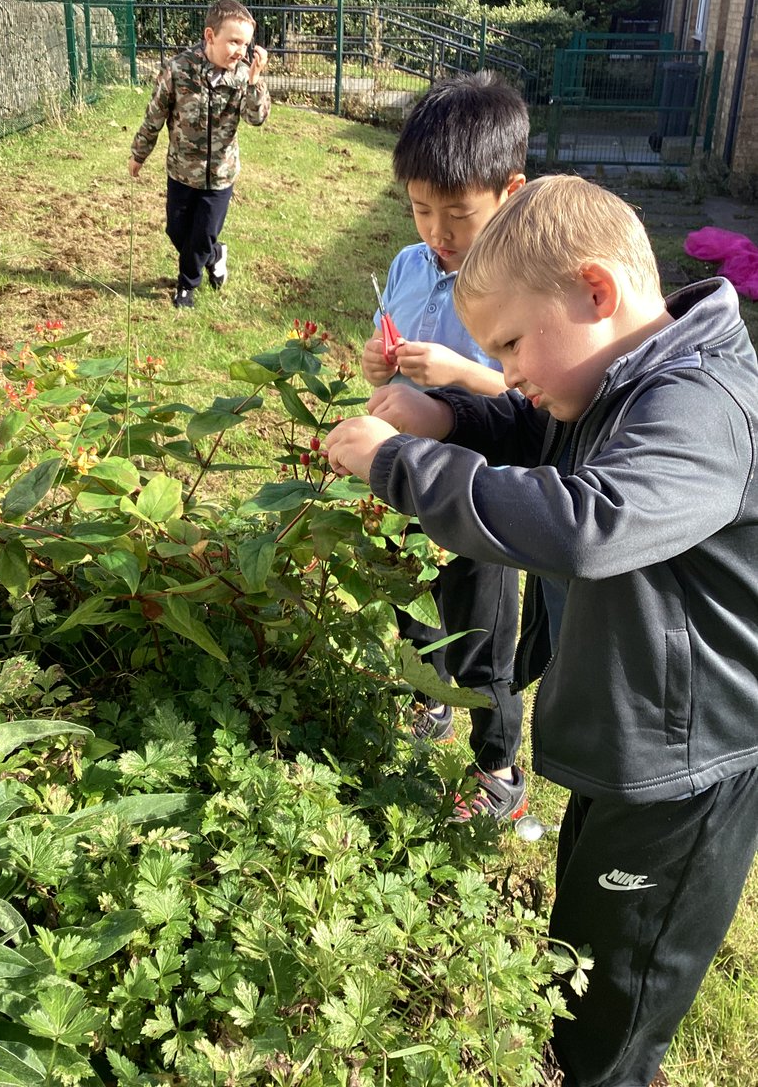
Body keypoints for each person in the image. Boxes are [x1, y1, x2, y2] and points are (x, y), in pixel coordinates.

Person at [325, 174, 758, 1087]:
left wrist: (403, 465)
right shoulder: (625, 373)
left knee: (618, 995)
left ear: (596, 292)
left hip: (687, 768)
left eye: (513, 344)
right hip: (629, 735)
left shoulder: (703, 406)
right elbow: (536, 430)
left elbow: (588, 524)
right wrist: (448, 414)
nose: (510, 371)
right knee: (584, 943)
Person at [363, 71, 528, 822]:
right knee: (413, 600)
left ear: (509, 194)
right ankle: (430, 702)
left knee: (483, 634)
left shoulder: (520, 286)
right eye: (421, 209)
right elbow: (385, 341)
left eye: (458, 214)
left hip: (481, 492)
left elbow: (530, 400)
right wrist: (378, 361)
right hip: (408, 473)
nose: (438, 232)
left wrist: (460, 373)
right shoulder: (408, 264)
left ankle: (498, 769)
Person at [128, 0, 270, 309]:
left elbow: (257, 118)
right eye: (233, 41)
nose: (240, 51)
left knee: (202, 234)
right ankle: (215, 255)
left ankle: (186, 286)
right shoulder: (178, 70)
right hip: (181, 171)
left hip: (220, 175)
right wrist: (139, 153)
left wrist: (255, 81)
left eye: (245, 44)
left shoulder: (243, 75)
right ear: (210, 36)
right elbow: (154, 115)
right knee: (177, 230)